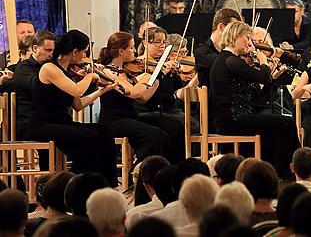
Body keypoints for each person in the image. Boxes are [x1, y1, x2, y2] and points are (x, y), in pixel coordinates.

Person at [24, 30, 118, 186]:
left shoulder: (67, 73)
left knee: (104, 131)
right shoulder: (49, 68)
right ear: (75, 52)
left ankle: (108, 184)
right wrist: (90, 76)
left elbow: (78, 105)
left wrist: (101, 91)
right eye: (84, 52)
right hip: (42, 125)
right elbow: (77, 90)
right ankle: (78, 184)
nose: (84, 57)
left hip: (61, 122)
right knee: (89, 137)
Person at [210, 21, 300, 178]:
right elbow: (262, 77)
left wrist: (272, 77)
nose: (250, 44)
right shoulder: (229, 60)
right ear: (236, 36)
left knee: (279, 126)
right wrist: (264, 62)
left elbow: (255, 94)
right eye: (247, 38)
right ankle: (289, 172)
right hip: (232, 120)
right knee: (286, 123)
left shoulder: (232, 60)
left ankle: (280, 172)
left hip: (236, 118)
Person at [97, 31, 184, 163]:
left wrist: (157, 76)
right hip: (114, 120)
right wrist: (150, 77)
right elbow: (133, 92)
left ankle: (174, 169)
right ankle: (140, 171)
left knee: (174, 125)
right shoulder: (109, 71)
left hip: (131, 116)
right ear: (121, 51)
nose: (134, 51)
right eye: (131, 48)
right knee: (156, 136)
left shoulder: (126, 72)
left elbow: (143, 98)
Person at [12, 30, 55, 140]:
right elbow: (38, 88)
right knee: (84, 135)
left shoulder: (51, 67)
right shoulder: (23, 68)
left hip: (47, 121)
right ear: (35, 49)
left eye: (53, 51)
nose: (51, 55)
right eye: (48, 50)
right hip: (29, 124)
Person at [194, 8, 241, 87]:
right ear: (221, 27)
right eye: (233, 29)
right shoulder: (202, 51)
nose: (236, 35)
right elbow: (223, 64)